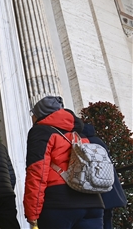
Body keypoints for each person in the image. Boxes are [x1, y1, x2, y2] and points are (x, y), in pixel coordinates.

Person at [24, 96, 104, 229]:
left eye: (33, 113)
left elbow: (37, 172)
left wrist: (32, 213)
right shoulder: (79, 135)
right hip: (93, 202)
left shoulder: (40, 132)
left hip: (59, 204)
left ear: (39, 115)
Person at [82, 123, 128, 229]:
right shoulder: (98, 141)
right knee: (108, 220)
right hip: (109, 189)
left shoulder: (81, 142)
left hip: (96, 190)